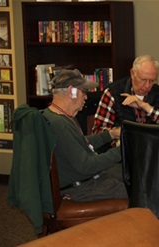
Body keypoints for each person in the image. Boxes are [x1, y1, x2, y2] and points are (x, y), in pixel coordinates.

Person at [43, 69, 127, 202]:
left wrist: (109, 135)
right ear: (72, 91)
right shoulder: (59, 124)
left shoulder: (56, 116)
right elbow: (88, 166)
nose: (86, 98)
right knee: (139, 191)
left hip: (82, 181)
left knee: (127, 176)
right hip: (80, 188)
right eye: (84, 92)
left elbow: (77, 143)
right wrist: (124, 149)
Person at [92, 55, 159, 135]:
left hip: (151, 145)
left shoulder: (157, 92)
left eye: (152, 80)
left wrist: (145, 106)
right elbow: (98, 132)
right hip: (122, 145)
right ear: (132, 74)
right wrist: (121, 135)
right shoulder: (112, 93)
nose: (147, 86)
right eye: (143, 80)